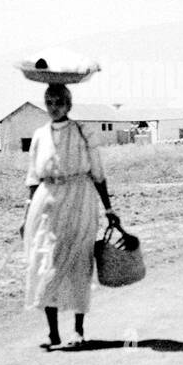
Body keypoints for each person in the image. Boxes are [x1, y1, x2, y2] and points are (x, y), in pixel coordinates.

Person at [21, 83, 120, 350]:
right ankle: (52, 333)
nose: (54, 107)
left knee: (78, 262)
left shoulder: (83, 132)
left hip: (79, 200)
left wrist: (109, 210)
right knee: (45, 261)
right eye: (50, 102)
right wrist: (27, 213)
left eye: (59, 102)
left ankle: (78, 330)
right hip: (47, 201)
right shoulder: (40, 135)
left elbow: (98, 173)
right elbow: (33, 177)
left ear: (69, 105)